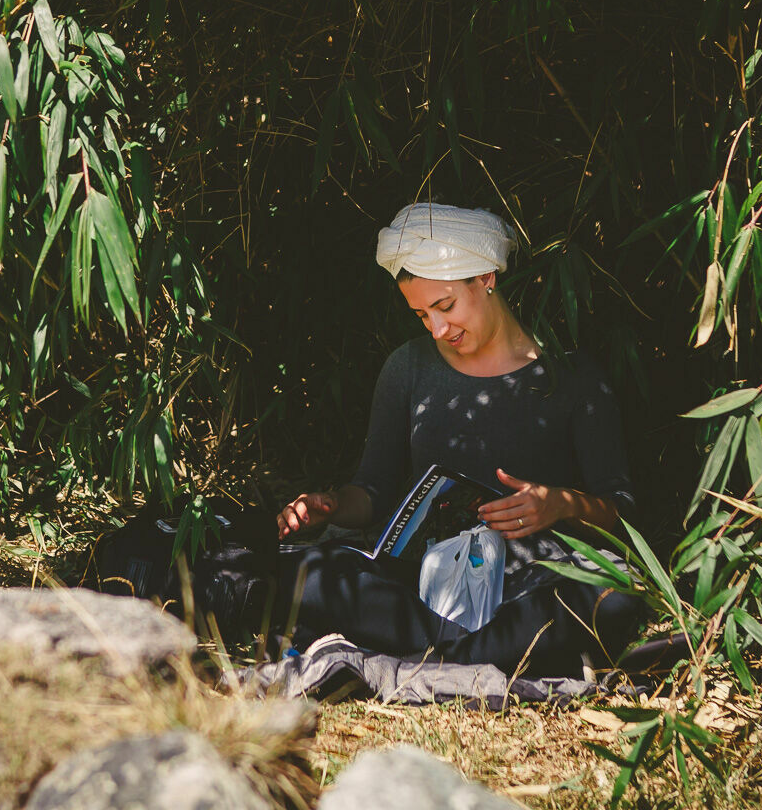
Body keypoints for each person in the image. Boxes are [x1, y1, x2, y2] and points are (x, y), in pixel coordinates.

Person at [275, 201, 644, 677]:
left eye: (445, 306)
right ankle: (475, 653)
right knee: (306, 575)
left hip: (527, 582)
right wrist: (330, 505)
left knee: (614, 596)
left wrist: (561, 504)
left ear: (486, 277)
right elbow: (371, 492)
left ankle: (437, 653)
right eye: (422, 315)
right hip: (425, 582)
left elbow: (623, 514)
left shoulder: (572, 380)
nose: (438, 328)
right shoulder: (407, 368)